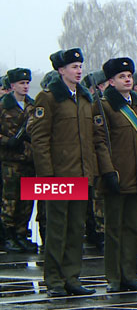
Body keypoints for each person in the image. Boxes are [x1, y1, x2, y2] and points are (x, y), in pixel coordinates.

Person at [29, 48, 98, 297]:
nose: (79, 71)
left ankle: (71, 277)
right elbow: (39, 139)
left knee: (75, 229)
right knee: (57, 230)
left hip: (81, 174)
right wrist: (47, 176)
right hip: (58, 176)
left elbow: (91, 139)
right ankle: (55, 281)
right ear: (61, 71)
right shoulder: (48, 98)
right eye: (73, 67)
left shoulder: (84, 97)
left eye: (80, 67)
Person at [93, 57, 137, 292]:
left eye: (129, 76)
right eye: (121, 76)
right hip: (117, 175)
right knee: (114, 230)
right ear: (110, 81)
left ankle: (129, 275)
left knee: (131, 229)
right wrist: (108, 171)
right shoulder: (104, 105)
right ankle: (114, 278)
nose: (127, 79)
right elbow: (99, 142)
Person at [0, 68, 36, 253]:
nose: (25, 86)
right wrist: (8, 141)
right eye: (22, 83)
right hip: (10, 161)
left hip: (29, 160)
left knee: (27, 202)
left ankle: (21, 234)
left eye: (27, 83)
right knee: (10, 200)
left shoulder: (33, 105)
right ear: (12, 85)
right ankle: (8, 236)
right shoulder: (3, 105)